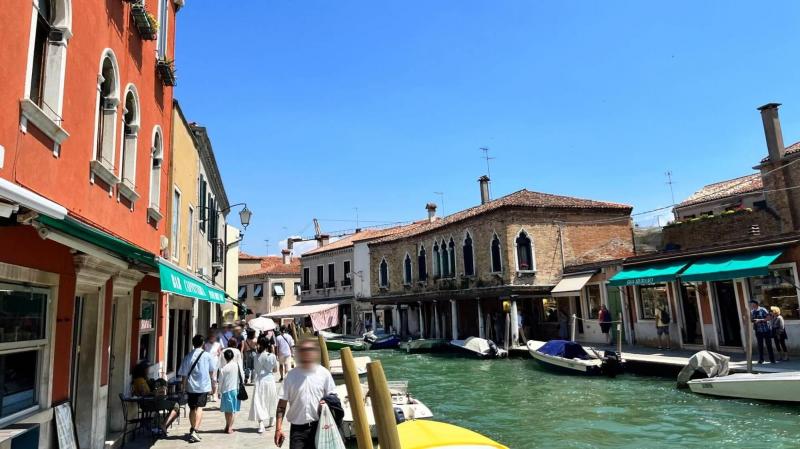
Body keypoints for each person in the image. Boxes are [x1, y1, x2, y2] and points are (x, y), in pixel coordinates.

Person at [274, 339, 336, 449]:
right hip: (297, 429)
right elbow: (281, 405)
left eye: (310, 350)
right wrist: (278, 429)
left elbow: (333, 398)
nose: (307, 353)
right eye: (303, 350)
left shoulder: (324, 374)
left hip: (320, 427)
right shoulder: (290, 376)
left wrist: (326, 403)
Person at [169, 334, 215, 443]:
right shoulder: (207, 356)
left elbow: (184, 375)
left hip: (191, 386)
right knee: (200, 407)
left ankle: (192, 428)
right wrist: (212, 384)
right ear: (203, 343)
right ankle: (195, 430)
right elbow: (212, 371)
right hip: (203, 386)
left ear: (193, 344)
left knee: (192, 408)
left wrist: (183, 387)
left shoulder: (188, 356)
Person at [250, 336, 279, 433]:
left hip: (260, 381)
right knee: (271, 400)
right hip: (270, 380)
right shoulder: (272, 356)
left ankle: (261, 424)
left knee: (259, 402)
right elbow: (275, 370)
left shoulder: (256, 356)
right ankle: (272, 419)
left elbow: (256, 369)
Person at [218, 349, 242, 434]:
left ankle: (227, 426)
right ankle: (230, 427)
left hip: (225, 391)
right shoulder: (237, 366)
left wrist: (219, 392)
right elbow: (240, 377)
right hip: (235, 390)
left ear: (225, 357)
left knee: (227, 411)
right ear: (233, 356)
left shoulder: (223, 369)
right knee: (233, 411)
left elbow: (220, 382)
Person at [750, 300, 775, 364]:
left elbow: (769, 318)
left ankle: (772, 359)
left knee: (769, 345)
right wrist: (752, 320)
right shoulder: (752, 311)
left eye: (752, 304)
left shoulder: (763, 310)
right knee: (760, 346)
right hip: (758, 331)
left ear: (756, 304)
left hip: (766, 330)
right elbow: (752, 320)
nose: (751, 305)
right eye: (751, 304)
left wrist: (760, 320)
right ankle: (761, 359)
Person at [204, 333, 222, 401]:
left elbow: (220, 353)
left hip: (215, 364)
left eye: (213, 337)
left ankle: (215, 394)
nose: (212, 338)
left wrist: (216, 354)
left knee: (214, 379)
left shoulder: (218, 345)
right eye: (211, 337)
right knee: (208, 379)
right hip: (207, 364)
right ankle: (209, 393)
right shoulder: (206, 345)